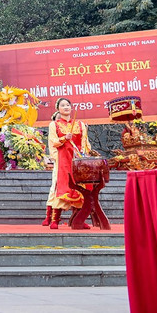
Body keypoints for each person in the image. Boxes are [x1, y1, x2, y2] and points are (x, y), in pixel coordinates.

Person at [47, 98, 94, 230]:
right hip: (64, 159)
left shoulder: (80, 124)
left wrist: (85, 155)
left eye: (68, 105)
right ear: (58, 109)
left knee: (80, 186)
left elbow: (85, 142)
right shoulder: (54, 125)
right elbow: (53, 142)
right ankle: (55, 219)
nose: (66, 107)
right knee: (63, 186)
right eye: (63, 105)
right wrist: (64, 138)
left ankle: (79, 218)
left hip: (78, 160)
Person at [41, 111, 61, 226]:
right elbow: (53, 147)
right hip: (59, 162)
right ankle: (50, 217)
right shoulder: (53, 128)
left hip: (72, 161)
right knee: (55, 188)